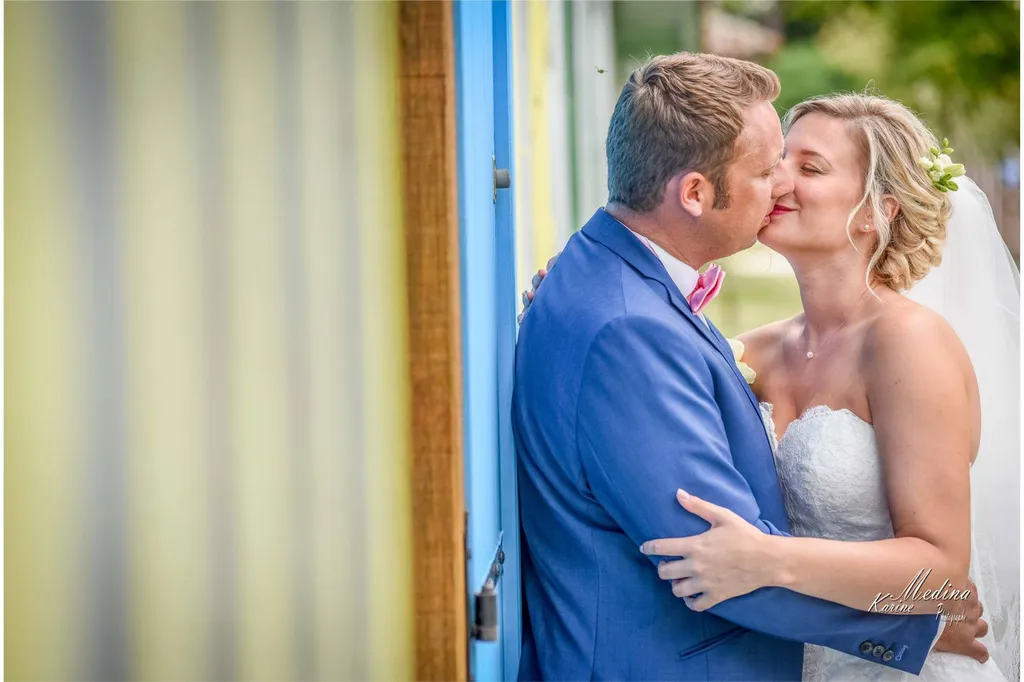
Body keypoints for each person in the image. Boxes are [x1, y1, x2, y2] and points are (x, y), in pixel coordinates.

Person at [512, 52, 990, 682]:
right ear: (695, 191)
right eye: (773, 164)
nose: (781, 183)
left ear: (880, 210)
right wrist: (908, 626)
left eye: (806, 167)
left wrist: (775, 560)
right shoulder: (739, 348)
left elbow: (943, 573)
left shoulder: (910, 344)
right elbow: (646, 399)